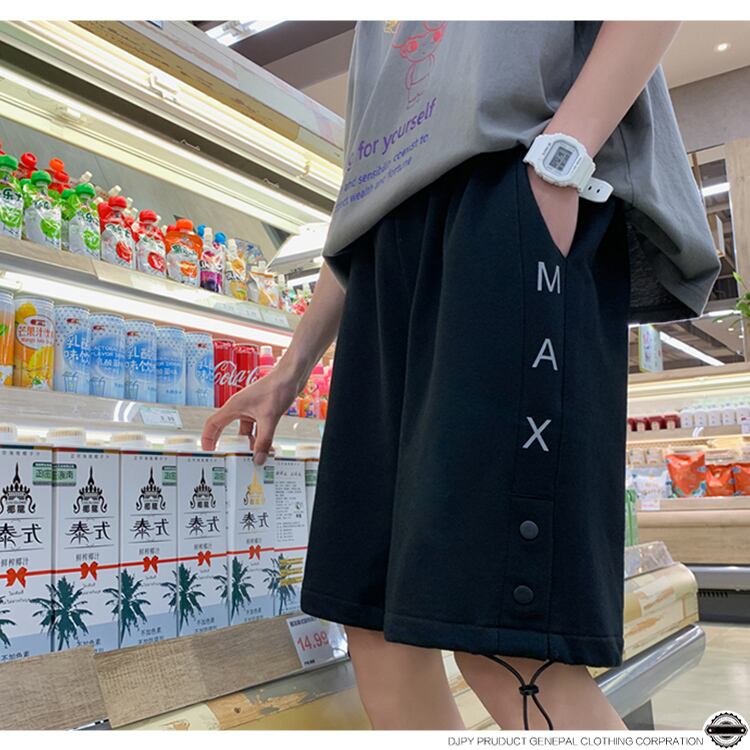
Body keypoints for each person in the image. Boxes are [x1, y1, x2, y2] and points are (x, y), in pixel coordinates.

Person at [202, 21, 720, 731]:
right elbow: (366, 195)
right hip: (383, 254)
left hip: (509, 189)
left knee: (512, 653)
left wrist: (562, 158)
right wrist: (293, 365)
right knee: (375, 629)